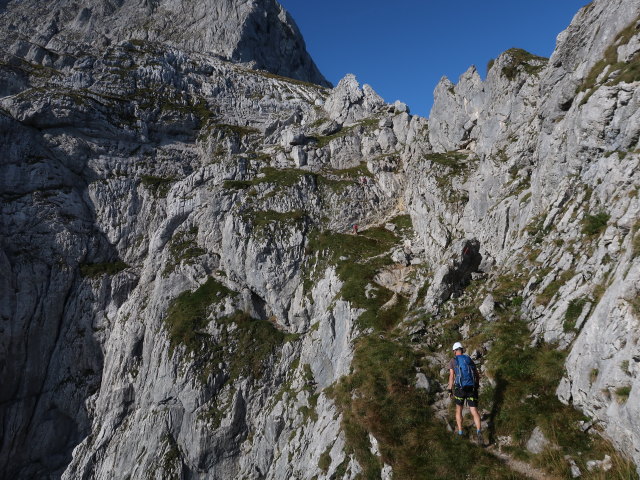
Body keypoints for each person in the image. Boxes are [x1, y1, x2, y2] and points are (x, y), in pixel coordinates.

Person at [447, 342, 483, 445]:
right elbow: (476, 374)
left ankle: (460, 432)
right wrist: (476, 385)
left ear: (454, 351)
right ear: (462, 350)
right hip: (471, 388)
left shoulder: (453, 361)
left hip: (460, 389)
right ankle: (479, 431)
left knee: (459, 410)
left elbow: (451, 376)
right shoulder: (468, 359)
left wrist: (450, 389)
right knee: (474, 411)